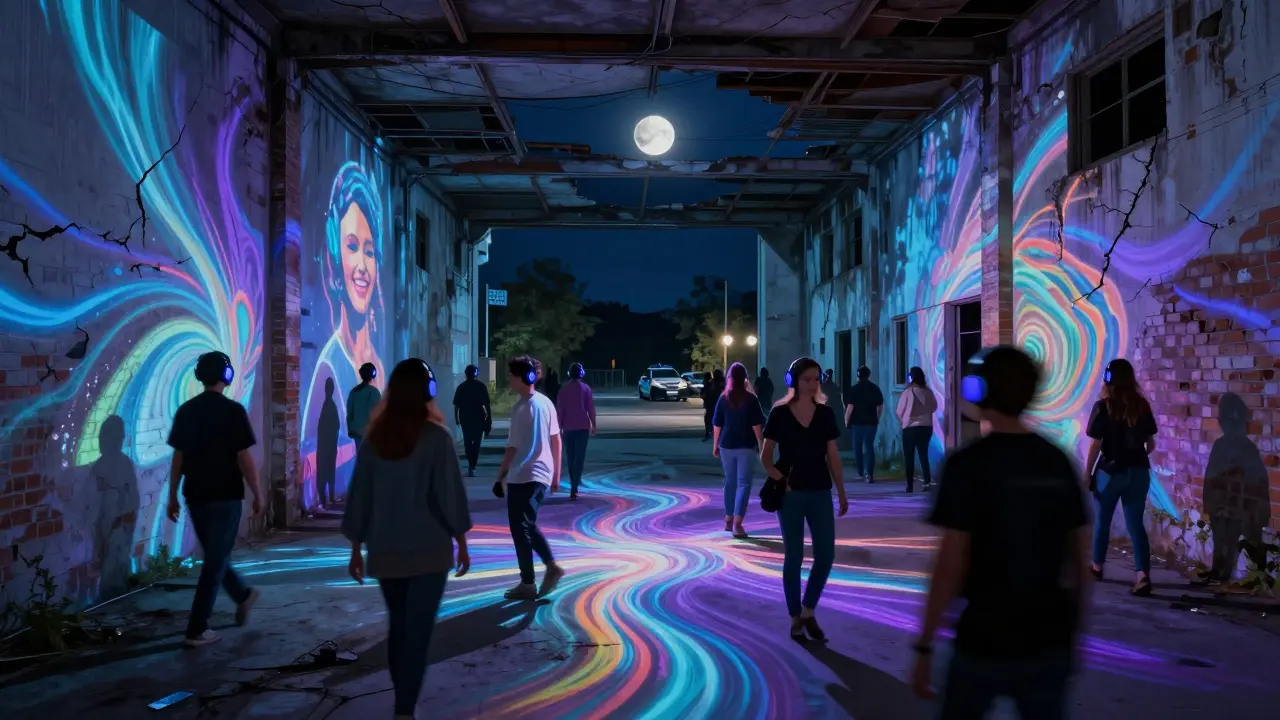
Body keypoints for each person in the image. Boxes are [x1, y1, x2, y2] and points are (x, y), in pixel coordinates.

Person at [911, 346, 1090, 718]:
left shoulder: (965, 466)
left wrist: (925, 644)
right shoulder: (1056, 462)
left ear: (978, 391)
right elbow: (1079, 561)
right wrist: (1075, 634)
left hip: (983, 637)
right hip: (1048, 637)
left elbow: (950, 565)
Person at [342, 358, 473, 720]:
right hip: (430, 553)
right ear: (429, 390)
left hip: (385, 552)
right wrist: (461, 542)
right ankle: (404, 709)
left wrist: (356, 549)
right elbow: (449, 497)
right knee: (419, 633)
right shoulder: (437, 438)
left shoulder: (374, 439)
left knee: (398, 629)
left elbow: (360, 498)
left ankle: (403, 703)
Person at [165, 351, 264, 648]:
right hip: (226, 495)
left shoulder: (186, 411)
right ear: (227, 375)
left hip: (195, 495)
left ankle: (243, 595)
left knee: (215, 557)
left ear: (200, 376)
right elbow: (244, 458)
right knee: (215, 559)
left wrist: (172, 496)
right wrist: (257, 492)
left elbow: (178, 458)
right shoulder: (233, 411)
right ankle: (197, 628)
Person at [761, 357, 848, 643]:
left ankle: (809, 610)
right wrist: (780, 480)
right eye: (806, 379)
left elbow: (832, 454)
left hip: (820, 491)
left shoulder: (825, 414)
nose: (812, 384)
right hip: (791, 495)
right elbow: (765, 456)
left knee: (825, 556)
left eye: (816, 379)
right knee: (794, 557)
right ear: (793, 381)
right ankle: (795, 617)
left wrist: (841, 490)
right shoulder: (780, 414)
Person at [1084, 358, 1158, 597]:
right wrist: (1134, 455)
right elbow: (1151, 445)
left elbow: (1096, 445)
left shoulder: (1103, 407)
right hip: (1139, 472)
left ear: (1108, 379)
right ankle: (1142, 575)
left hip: (1110, 473)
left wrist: (1088, 473)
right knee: (1135, 523)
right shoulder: (1142, 406)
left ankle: (1096, 567)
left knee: (1102, 521)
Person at [496, 355, 567, 600]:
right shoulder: (546, 403)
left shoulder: (521, 408)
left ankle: (535, 577)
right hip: (540, 475)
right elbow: (557, 439)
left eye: (511, 375)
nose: (509, 378)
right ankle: (536, 576)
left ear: (522, 377)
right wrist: (556, 474)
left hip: (524, 475)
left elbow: (512, 447)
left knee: (521, 528)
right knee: (525, 526)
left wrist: (500, 475)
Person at [714, 363, 766, 539]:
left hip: (726, 445)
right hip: (746, 445)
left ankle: (728, 519)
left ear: (729, 378)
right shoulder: (751, 399)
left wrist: (715, 444)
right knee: (743, 484)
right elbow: (757, 425)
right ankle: (738, 523)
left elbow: (717, 423)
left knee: (730, 482)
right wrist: (761, 444)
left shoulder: (723, 398)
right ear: (745, 378)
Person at [556, 363, 597, 501]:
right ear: (582, 374)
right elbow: (590, 408)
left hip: (568, 427)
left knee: (570, 457)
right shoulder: (586, 389)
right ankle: (575, 486)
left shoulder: (563, 390)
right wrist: (594, 424)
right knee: (580, 457)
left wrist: (558, 427)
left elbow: (560, 410)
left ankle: (573, 482)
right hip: (582, 427)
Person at [896, 366, 939, 493]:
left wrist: (904, 420)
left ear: (912, 378)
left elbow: (899, 411)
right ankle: (927, 482)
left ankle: (910, 485)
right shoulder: (928, 391)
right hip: (926, 427)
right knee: (923, 455)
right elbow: (934, 407)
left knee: (909, 457)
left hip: (910, 428)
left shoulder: (908, 392)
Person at [843, 366, 884, 483]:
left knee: (857, 448)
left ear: (858, 376)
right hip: (871, 422)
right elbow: (880, 406)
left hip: (857, 423)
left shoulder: (854, 389)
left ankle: (860, 472)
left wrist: (846, 421)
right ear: (868, 375)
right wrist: (878, 418)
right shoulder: (875, 388)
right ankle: (869, 474)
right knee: (869, 447)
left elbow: (850, 407)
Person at [453, 364, 492, 478]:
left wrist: (456, 418)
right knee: (476, 443)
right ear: (476, 374)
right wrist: (489, 419)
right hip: (479, 418)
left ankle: (471, 464)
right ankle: (472, 465)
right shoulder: (481, 386)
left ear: (466, 374)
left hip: (465, 418)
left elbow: (456, 405)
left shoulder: (461, 387)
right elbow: (487, 405)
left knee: (467, 442)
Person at [347, 362, 381, 445]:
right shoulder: (374, 392)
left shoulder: (353, 392)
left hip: (356, 432)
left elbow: (349, 413)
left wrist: (350, 429)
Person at [702, 368, 725, 442]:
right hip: (713, 404)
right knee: (709, 418)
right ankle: (710, 433)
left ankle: (711, 433)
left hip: (714, 404)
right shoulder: (714, 383)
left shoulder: (718, 383)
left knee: (710, 418)